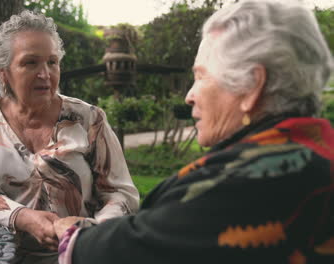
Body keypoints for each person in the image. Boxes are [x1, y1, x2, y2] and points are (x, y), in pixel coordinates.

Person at [53, 0, 334, 263]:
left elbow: (129, 250)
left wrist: (73, 234)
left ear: (251, 85)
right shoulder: (320, 150)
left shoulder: (243, 184)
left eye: (201, 76)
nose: (189, 95)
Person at [0, 10, 139, 263]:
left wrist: (90, 232)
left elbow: (120, 193)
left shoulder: (88, 119)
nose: (45, 74)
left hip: (79, 255)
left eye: (52, 62)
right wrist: (23, 218)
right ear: (3, 72)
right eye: (31, 62)